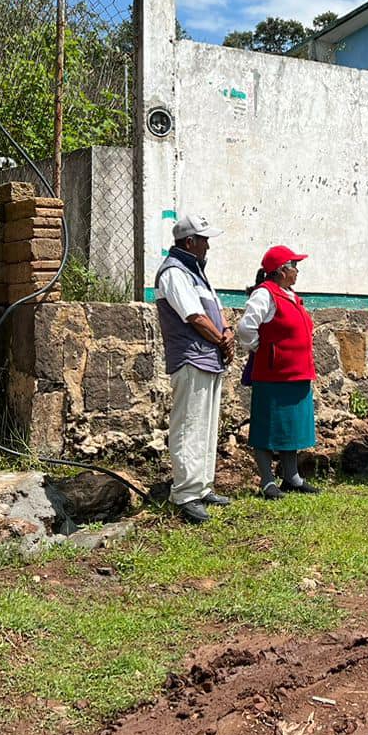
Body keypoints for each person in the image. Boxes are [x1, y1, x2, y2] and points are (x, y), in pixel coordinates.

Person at [155, 214, 236, 524]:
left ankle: (201, 486)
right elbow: (194, 316)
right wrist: (222, 340)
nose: (208, 246)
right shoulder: (174, 273)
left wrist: (225, 334)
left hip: (208, 356)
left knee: (205, 426)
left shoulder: (195, 272)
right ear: (190, 242)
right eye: (204, 240)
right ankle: (186, 493)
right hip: (191, 357)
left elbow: (214, 312)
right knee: (189, 426)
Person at [235, 245, 321, 499]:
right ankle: (267, 481)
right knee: (267, 428)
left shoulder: (290, 295)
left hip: (297, 372)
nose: (297, 271)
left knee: (291, 427)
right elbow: (246, 327)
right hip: (274, 374)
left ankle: (292, 477)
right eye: (294, 266)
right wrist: (262, 348)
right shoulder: (265, 295)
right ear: (282, 270)